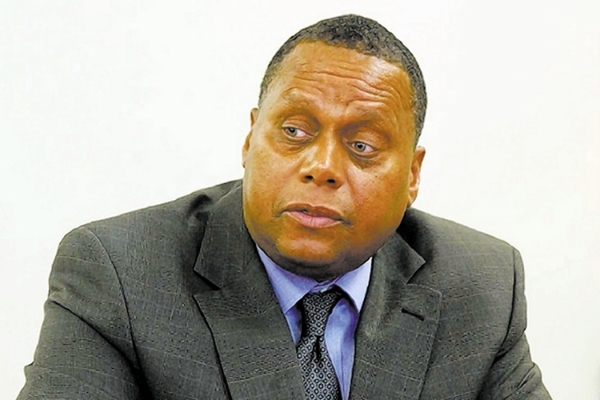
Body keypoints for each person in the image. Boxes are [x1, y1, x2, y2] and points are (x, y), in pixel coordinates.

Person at [18, 14, 551, 400]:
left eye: (362, 145)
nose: (322, 167)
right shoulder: (120, 275)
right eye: (294, 132)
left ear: (412, 174)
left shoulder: (481, 287)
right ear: (251, 139)